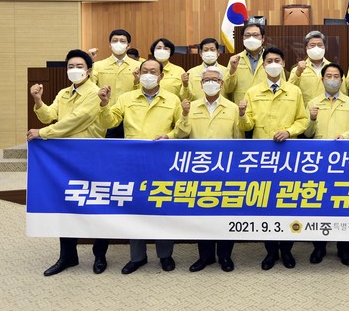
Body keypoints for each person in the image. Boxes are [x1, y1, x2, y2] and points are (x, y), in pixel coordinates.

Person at [98, 58, 184, 274]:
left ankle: (165, 255)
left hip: (162, 161)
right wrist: (105, 104)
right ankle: (137, 257)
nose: (148, 75)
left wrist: (169, 136)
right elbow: (110, 122)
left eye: (153, 71)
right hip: (133, 161)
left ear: (161, 76)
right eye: (145, 70)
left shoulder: (172, 99)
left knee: (162, 207)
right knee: (135, 208)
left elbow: (182, 129)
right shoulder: (126, 98)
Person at [27, 49, 108, 276]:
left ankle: (100, 255)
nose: (74, 70)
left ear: (89, 71)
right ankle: (68, 256)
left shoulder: (94, 93)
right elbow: (49, 115)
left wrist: (43, 133)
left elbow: (75, 120)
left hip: (90, 156)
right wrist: (38, 100)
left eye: (79, 66)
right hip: (65, 157)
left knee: (96, 205)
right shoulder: (64, 93)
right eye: (70, 66)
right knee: (66, 204)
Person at [238, 47, 309, 270]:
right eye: (268, 61)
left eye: (277, 60)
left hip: (288, 154)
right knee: (266, 203)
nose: (273, 64)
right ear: (263, 65)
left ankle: (286, 250)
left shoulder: (294, 91)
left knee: (288, 202)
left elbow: (303, 120)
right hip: (262, 156)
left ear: (284, 63)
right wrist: (242, 114)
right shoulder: (252, 92)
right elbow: (247, 126)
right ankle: (270, 252)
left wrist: (289, 131)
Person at [178, 67, 240, 273]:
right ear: (201, 84)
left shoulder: (232, 108)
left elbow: (238, 140)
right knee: (202, 214)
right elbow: (181, 134)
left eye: (214, 80)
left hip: (226, 169)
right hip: (199, 168)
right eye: (206, 80)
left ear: (222, 84)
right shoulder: (191, 107)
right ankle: (205, 256)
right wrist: (184, 115)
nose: (210, 83)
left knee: (225, 212)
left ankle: (225, 256)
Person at [304, 63, 349, 266]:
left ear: (342, 80)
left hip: (343, 162)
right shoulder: (313, 103)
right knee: (319, 205)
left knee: (343, 204)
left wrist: (346, 136)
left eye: (336, 76)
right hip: (318, 162)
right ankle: (319, 247)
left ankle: (344, 248)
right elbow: (307, 134)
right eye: (328, 76)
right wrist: (312, 119)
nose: (332, 80)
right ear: (322, 80)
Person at [90, 29, 141, 138]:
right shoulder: (98, 66)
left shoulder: (139, 66)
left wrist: (137, 82)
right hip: (106, 113)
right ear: (110, 45)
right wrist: (88, 62)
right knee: (107, 146)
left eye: (122, 41)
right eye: (115, 41)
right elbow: (90, 87)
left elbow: (143, 92)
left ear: (128, 46)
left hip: (131, 116)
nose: (118, 43)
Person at [228, 22, 282, 105]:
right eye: (247, 35)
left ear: (263, 38)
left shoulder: (273, 60)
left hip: (266, 107)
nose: (251, 38)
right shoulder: (235, 60)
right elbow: (227, 89)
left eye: (255, 35)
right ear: (243, 38)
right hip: (242, 107)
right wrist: (232, 70)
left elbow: (281, 86)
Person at [289, 30, 345, 105]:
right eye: (312, 45)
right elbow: (289, 91)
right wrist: (297, 73)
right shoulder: (297, 70)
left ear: (325, 47)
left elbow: (343, 92)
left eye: (319, 45)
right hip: (305, 110)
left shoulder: (334, 69)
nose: (316, 48)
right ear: (306, 48)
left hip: (328, 109)